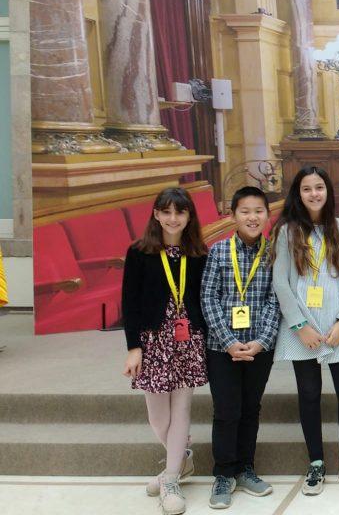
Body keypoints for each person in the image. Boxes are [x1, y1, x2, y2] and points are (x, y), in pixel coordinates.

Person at [271, 165, 339, 496]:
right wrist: (300, 326)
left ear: (328, 192)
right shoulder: (287, 231)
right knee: (308, 394)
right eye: (306, 188)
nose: (314, 194)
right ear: (298, 194)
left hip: (338, 327)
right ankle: (316, 462)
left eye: (319, 187)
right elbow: (281, 282)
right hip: (301, 329)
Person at [121, 187, 209, 515]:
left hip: (188, 340)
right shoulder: (139, 252)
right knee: (158, 416)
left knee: (181, 408)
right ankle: (181, 457)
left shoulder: (198, 254)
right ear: (156, 214)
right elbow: (129, 303)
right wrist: (134, 347)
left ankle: (171, 479)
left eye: (180, 212)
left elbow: (202, 299)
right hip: (153, 341)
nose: (173, 218)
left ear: (189, 216)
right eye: (167, 212)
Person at [200, 186, 280, 509]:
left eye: (258, 211)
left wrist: (261, 341)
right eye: (245, 211)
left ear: (267, 216)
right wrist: (229, 342)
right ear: (233, 216)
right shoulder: (218, 251)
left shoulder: (274, 253)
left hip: (260, 348)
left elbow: (276, 300)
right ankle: (223, 473)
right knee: (226, 410)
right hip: (222, 348)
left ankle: (246, 467)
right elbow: (208, 298)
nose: (252, 217)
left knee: (250, 408)